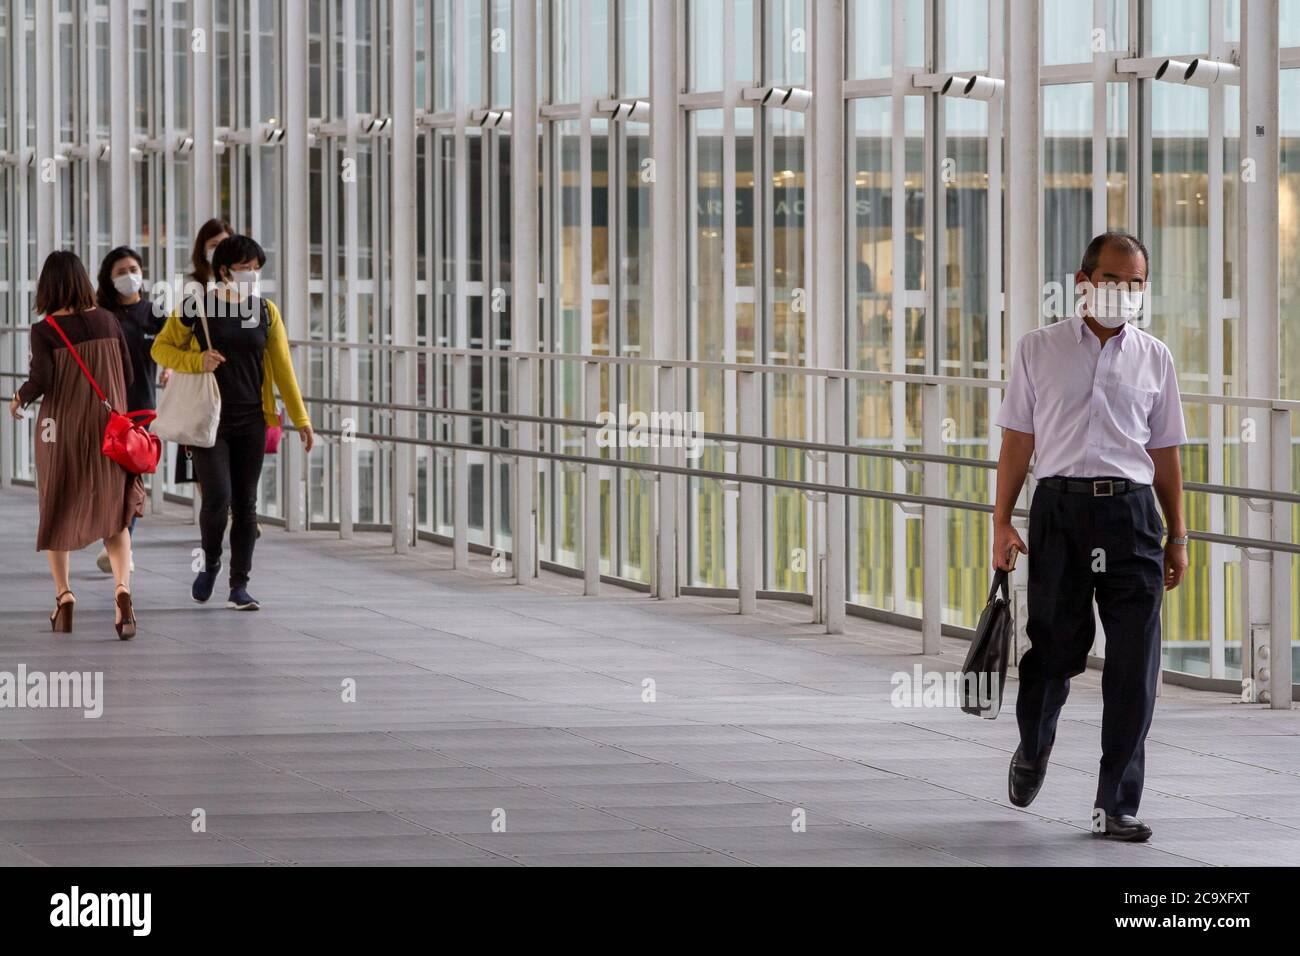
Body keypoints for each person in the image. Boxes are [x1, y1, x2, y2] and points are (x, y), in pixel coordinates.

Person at [992, 231, 1189, 843]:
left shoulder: (1155, 357)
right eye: (1112, 280)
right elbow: (1018, 441)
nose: (1124, 292)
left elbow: (1164, 451)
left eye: (1135, 283)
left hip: (1131, 519)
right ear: (1083, 282)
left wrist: (1178, 535)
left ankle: (1116, 804)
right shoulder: (1039, 349)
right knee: (1054, 648)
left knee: (1135, 664)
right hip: (1059, 513)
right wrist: (1001, 521)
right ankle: (1034, 746)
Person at [151, 234, 314, 610]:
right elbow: (159, 347)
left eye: (256, 269)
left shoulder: (266, 312)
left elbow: (283, 369)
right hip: (210, 420)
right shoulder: (197, 307)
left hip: (252, 420)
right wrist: (198, 361)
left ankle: (239, 585)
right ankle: (209, 563)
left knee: (247, 504)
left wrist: (301, 418)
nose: (252, 275)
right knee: (218, 497)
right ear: (224, 270)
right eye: (245, 268)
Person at [8, 251, 145, 639]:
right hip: (109, 434)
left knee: (57, 507)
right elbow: (129, 375)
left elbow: (42, 381)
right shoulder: (110, 320)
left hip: (61, 431)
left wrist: (19, 398)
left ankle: (64, 597)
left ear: (47, 286)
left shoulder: (46, 329)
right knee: (114, 512)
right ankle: (122, 591)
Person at [93, 246, 163, 573]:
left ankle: (122, 545)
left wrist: (172, 368)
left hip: (141, 411)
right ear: (109, 278)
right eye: (120, 271)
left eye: (133, 268)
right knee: (109, 480)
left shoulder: (155, 313)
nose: (129, 275)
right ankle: (116, 541)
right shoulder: (101, 316)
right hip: (105, 409)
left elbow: (176, 348)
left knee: (131, 478)